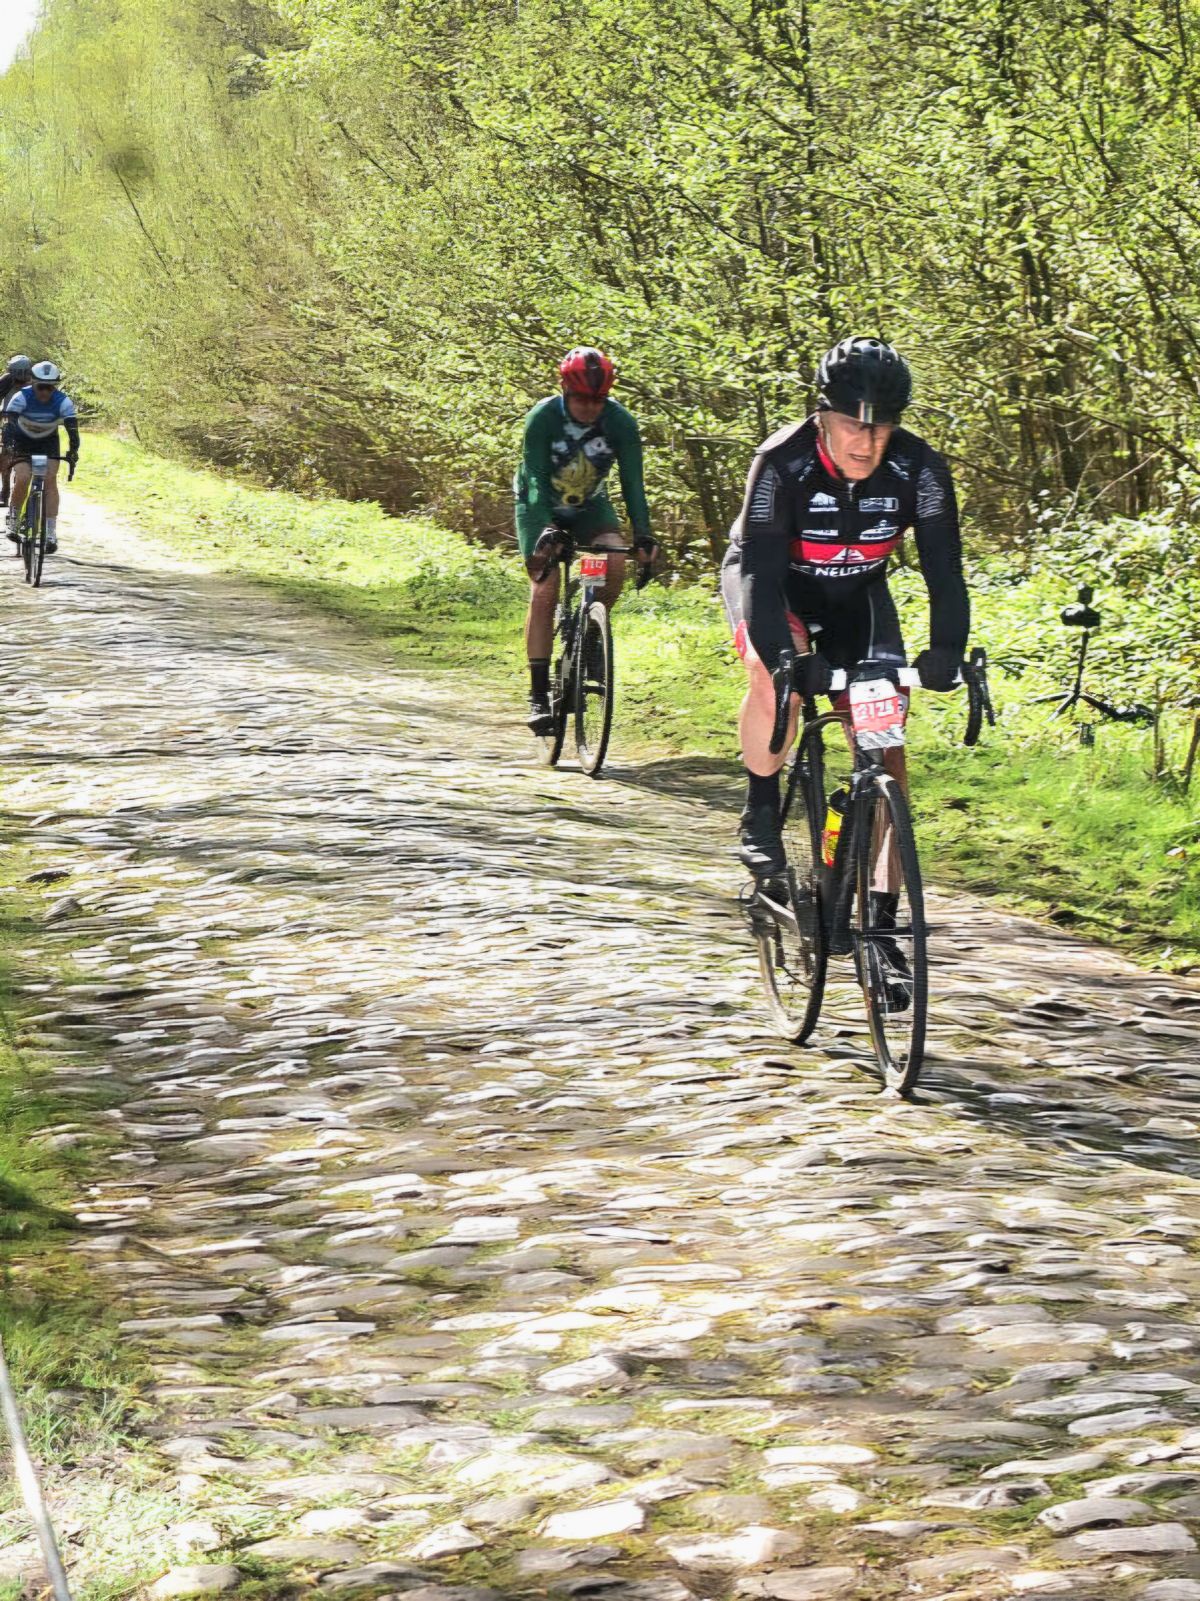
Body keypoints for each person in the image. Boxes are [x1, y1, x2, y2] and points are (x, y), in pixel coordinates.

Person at [722, 335, 970, 880]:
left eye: (883, 427)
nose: (868, 441)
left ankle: (883, 904)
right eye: (854, 425)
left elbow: (945, 571)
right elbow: (760, 573)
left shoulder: (920, 468)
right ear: (822, 417)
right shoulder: (781, 462)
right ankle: (761, 809)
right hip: (775, 586)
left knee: (886, 739)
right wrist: (789, 661)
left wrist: (948, 649)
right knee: (774, 681)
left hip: (857, 594)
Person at [516, 347, 657, 733]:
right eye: (581, 399)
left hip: (589, 504)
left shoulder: (621, 422)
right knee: (545, 590)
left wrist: (643, 533)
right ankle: (538, 693)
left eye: (598, 400)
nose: (590, 408)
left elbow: (633, 483)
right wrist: (545, 528)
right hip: (538, 503)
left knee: (614, 562)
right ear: (564, 389)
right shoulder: (543, 417)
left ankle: (591, 636)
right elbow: (534, 479)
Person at [4, 360, 80, 555]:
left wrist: (73, 450)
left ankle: (51, 532)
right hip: (23, 441)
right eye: (41, 387)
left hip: (48, 443)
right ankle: (14, 518)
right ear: (33, 383)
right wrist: (9, 445)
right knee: (23, 477)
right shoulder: (21, 397)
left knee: (50, 480)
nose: (45, 392)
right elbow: (9, 425)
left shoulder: (63, 401)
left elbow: (72, 429)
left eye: (50, 387)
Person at [0, 356, 33, 507]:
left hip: (31, 421)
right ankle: (5, 492)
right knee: (6, 455)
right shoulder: (6, 380)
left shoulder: (35, 381)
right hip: (9, 419)